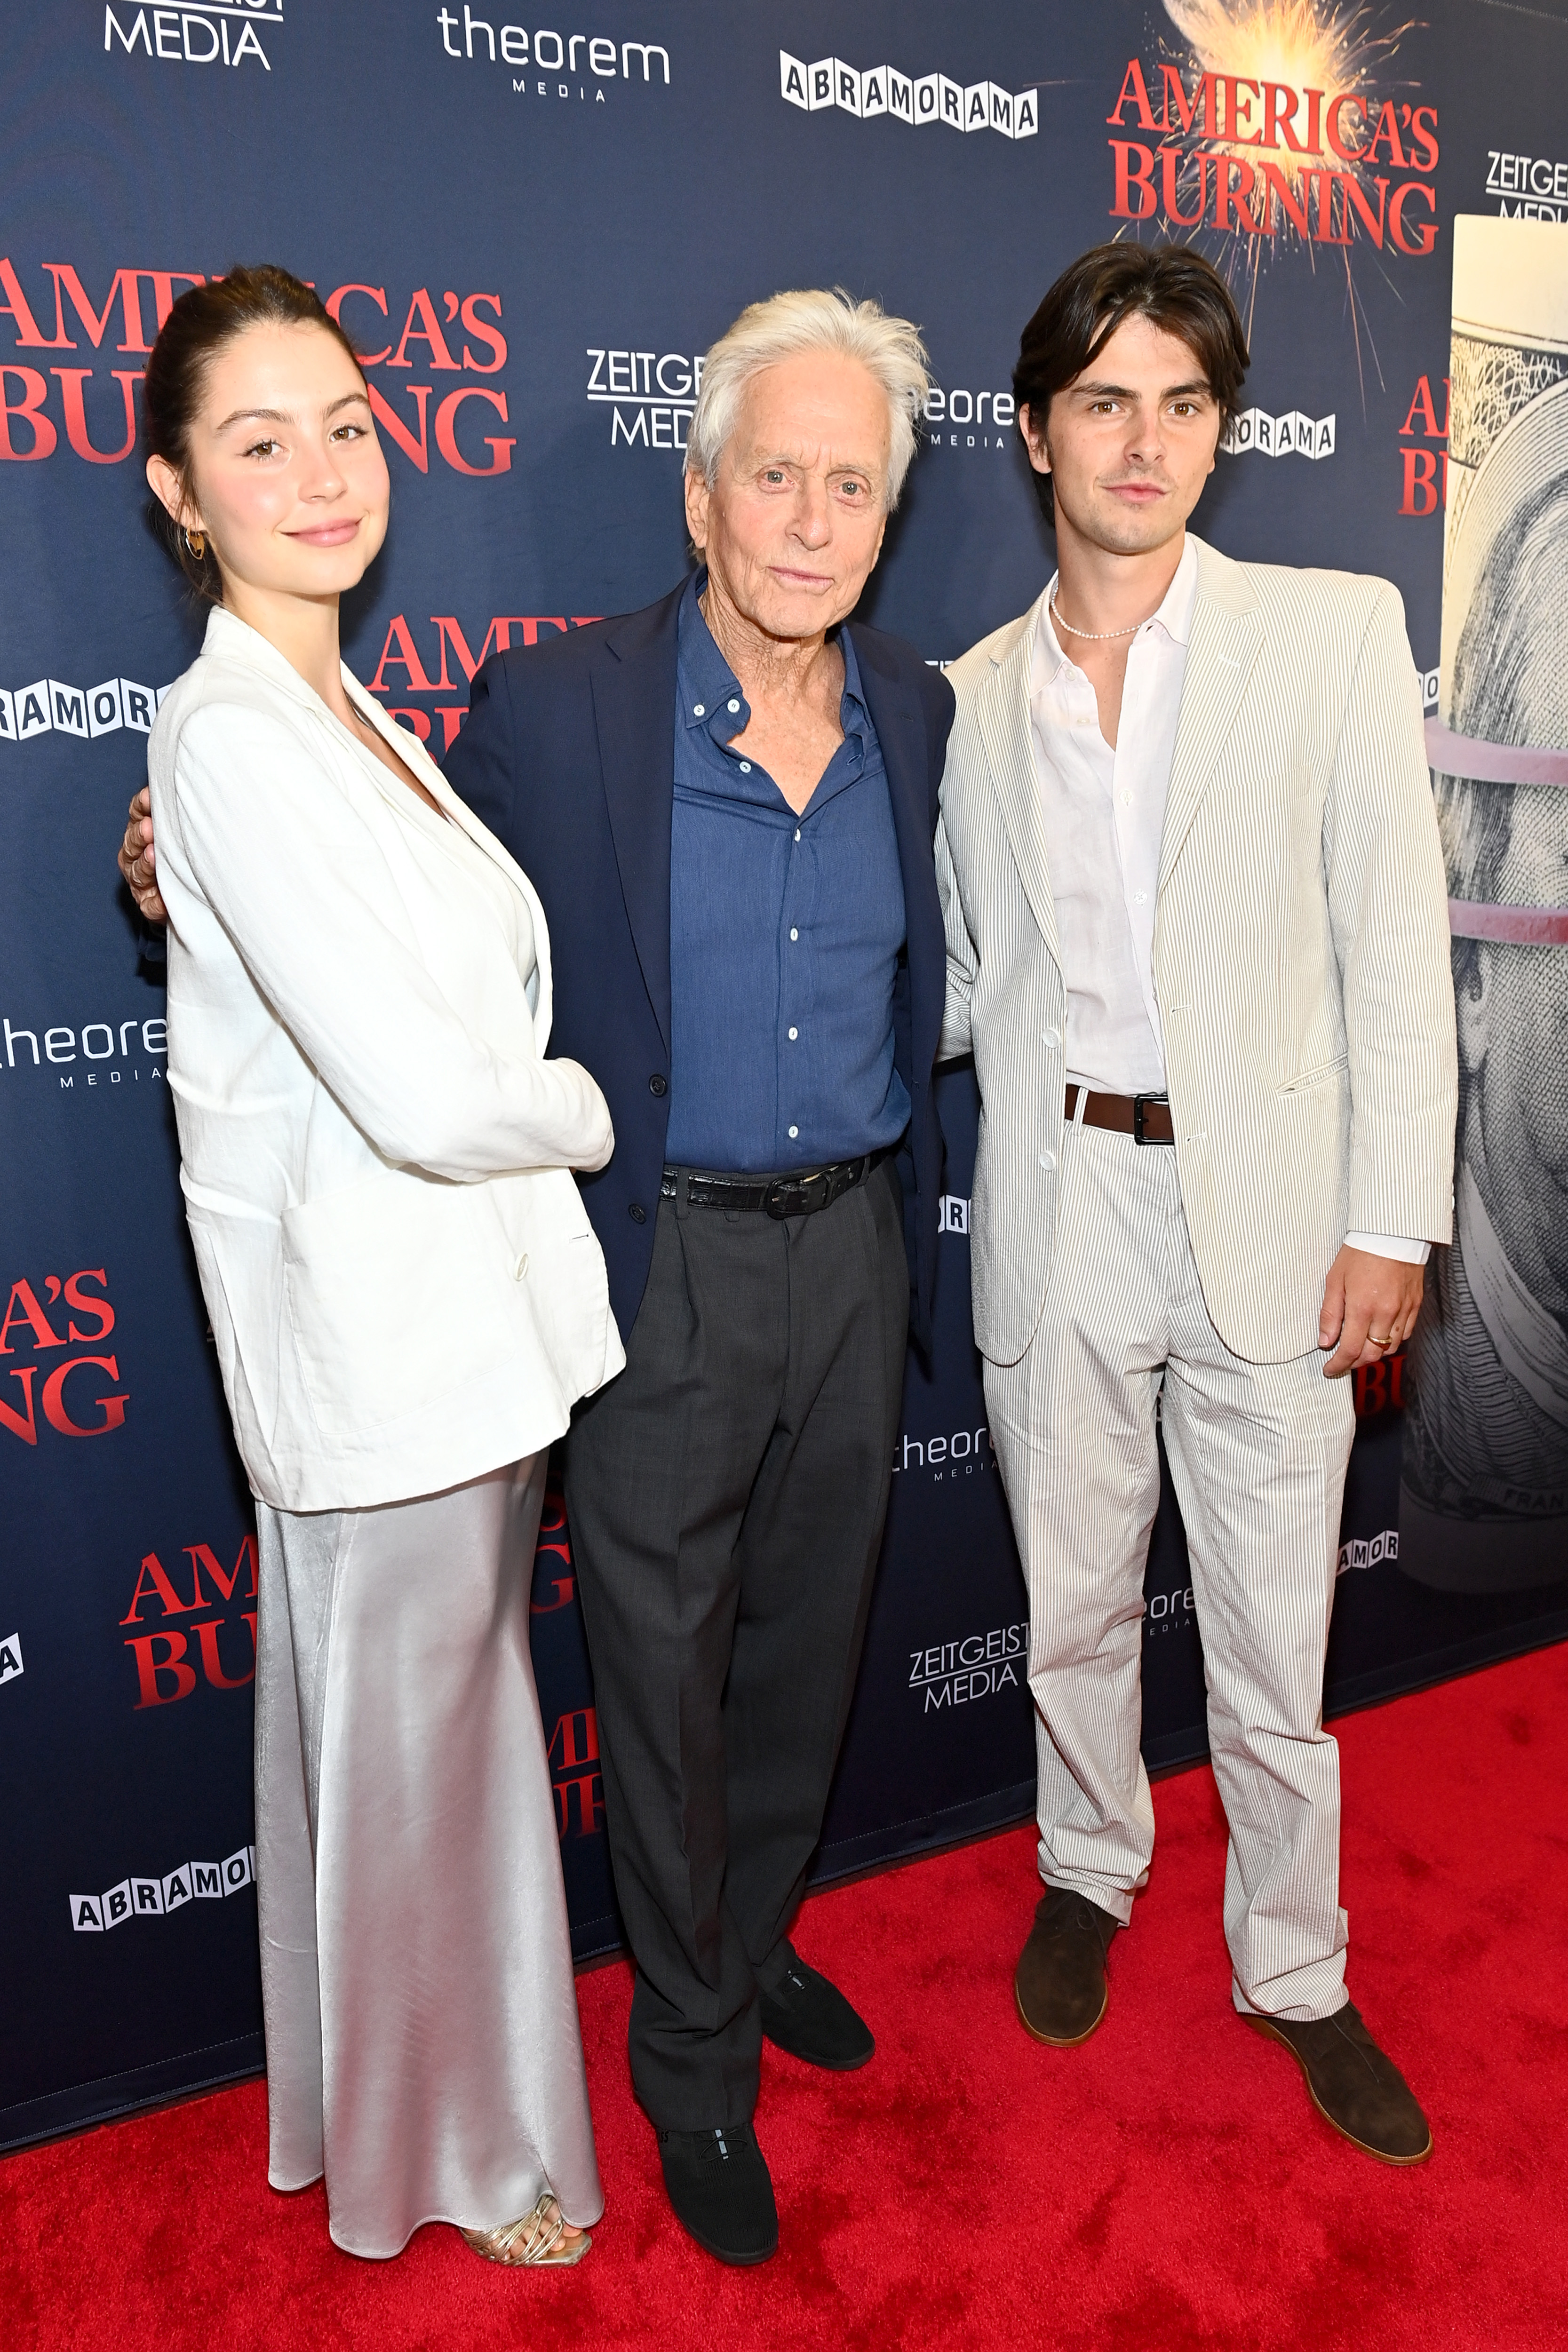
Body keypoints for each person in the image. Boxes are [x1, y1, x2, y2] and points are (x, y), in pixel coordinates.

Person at [124, 286, 955, 2266]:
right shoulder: (553, 705)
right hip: (647, 1259)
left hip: (852, 1246)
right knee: (656, 1685)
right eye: (775, 473)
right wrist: (175, 858)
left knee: (804, 1659)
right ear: (698, 499)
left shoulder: (925, 711)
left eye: (853, 485)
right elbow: (380, 943)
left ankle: (749, 1955)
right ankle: (690, 2059)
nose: (810, 519)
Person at [934, 243, 1457, 2164]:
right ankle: (1089, 1861)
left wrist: (1395, 1215)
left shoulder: (1327, 634)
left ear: (1221, 434)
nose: (1141, 440)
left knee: (1275, 1640)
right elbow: (963, 966)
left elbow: (1399, 945)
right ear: (1036, 432)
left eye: (1179, 403)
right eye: (1102, 400)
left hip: (1272, 1211)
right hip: (1060, 1198)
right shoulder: (977, 697)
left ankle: (1298, 1963)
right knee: (1070, 1600)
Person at [135, 265, 619, 2265]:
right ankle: (477, 2151)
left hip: (445, 1342)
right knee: (426, 1759)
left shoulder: (340, 707)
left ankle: (392, 2115)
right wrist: (611, 1108)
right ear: (182, 491)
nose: (322, 470)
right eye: (260, 441)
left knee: (412, 1744)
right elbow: (428, 1084)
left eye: (345, 420)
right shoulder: (233, 733)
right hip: (384, 1346)